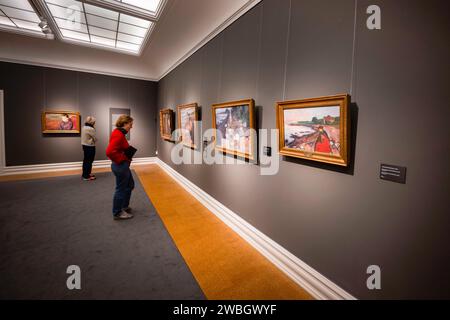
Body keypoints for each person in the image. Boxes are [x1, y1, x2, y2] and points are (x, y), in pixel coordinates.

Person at [106, 115, 136, 220]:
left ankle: (124, 206)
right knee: (121, 189)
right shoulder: (118, 134)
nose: (131, 127)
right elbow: (109, 152)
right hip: (120, 166)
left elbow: (118, 148)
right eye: (130, 124)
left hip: (121, 165)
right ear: (125, 123)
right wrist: (122, 158)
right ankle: (117, 212)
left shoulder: (118, 133)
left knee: (130, 185)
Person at [81, 116, 97, 181]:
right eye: (94, 122)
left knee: (86, 160)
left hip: (84, 145)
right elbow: (95, 138)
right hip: (90, 146)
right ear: (92, 122)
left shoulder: (84, 127)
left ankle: (85, 174)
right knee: (89, 161)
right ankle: (86, 176)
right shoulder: (91, 129)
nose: (95, 123)